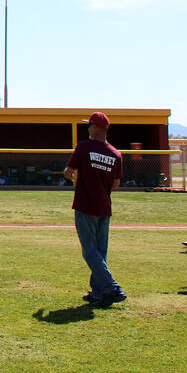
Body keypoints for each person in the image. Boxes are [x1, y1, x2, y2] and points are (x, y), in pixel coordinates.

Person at [64, 112, 126, 306]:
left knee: (90, 251)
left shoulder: (83, 147)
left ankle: (112, 287)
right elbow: (115, 184)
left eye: (89, 125)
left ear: (95, 128)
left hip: (85, 204)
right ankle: (98, 292)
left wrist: (78, 179)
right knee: (100, 251)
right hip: (104, 207)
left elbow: (68, 172)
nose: (88, 129)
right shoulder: (116, 153)